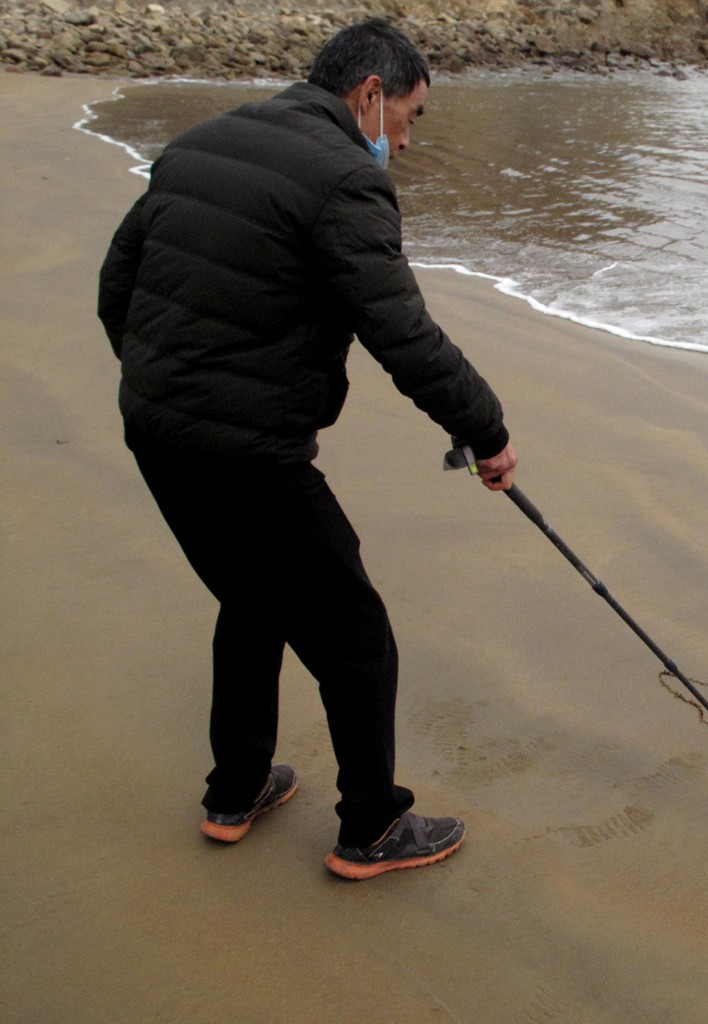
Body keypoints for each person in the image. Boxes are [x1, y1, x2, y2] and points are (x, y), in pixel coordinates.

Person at [97, 18, 517, 880]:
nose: (405, 136)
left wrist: (167, 385)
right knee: (356, 634)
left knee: (251, 600)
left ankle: (236, 789)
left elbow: (119, 285)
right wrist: (487, 431)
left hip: (156, 428)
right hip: (245, 451)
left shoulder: (199, 143)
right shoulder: (343, 184)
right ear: (369, 96)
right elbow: (401, 332)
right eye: (410, 114)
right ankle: (371, 827)